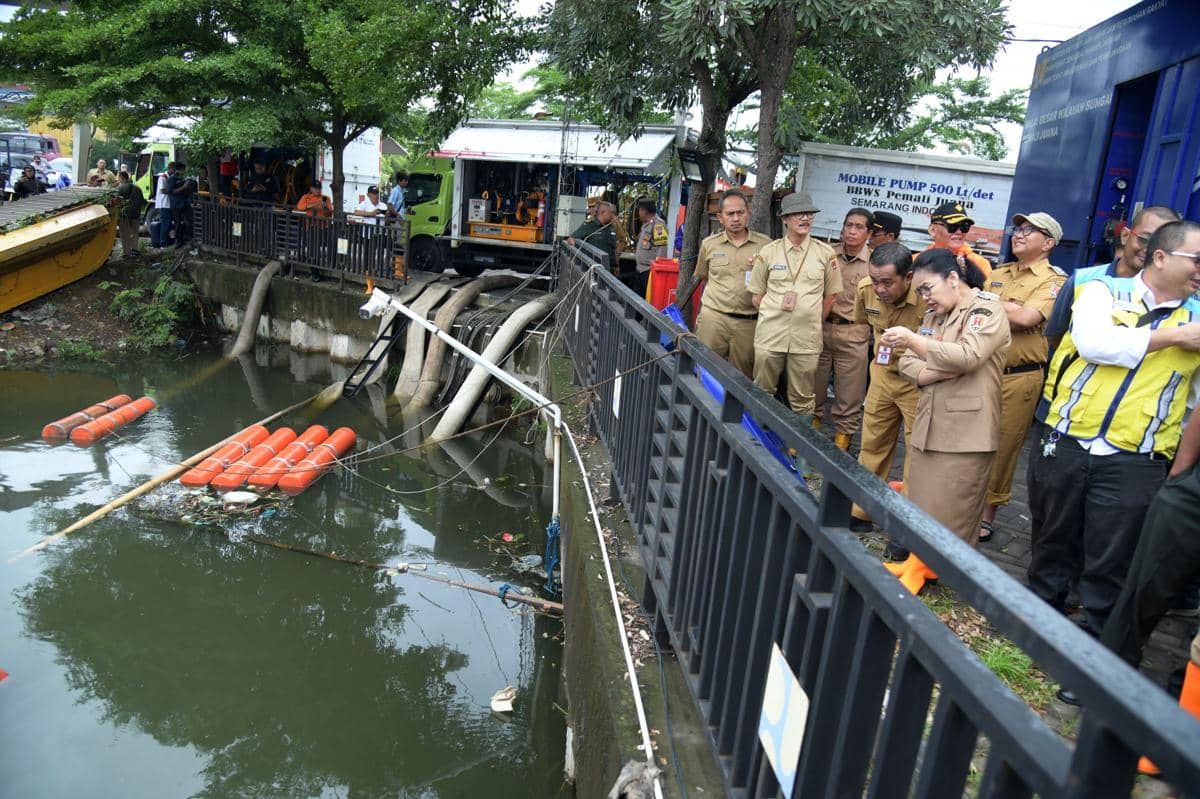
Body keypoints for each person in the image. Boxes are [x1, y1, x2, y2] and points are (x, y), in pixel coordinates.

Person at [1027, 220, 1200, 636]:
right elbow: (1096, 344)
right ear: (1161, 257)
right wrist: (1175, 336)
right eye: (1196, 260)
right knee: (1051, 542)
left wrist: (1178, 470)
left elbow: (1195, 400)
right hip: (1067, 441)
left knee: (1110, 562)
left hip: (1137, 458)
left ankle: (1089, 661)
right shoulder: (1103, 291)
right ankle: (1028, 634)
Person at [880, 248, 1010, 594]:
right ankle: (917, 565)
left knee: (954, 508)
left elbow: (968, 356)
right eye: (919, 292)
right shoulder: (936, 315)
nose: (924, 299)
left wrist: (913, 340)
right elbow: (906, 362)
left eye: (927, 289)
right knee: (923, 501)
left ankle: (946, 578)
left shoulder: (986, 310)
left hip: (966, 431)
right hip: (930, 420)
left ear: (953, 278)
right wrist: (927, 373)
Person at [1097, 403, 1200, 774]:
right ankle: (1106, 683)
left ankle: (1182, 736)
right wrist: (1180, 476)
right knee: (1143, 585)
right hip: (1193, 490)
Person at [977, 212, 1067, 543]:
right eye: (1019, 228)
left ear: (1049, 243)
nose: (1020, 234)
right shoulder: (999, 273)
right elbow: (978, 312)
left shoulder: (1055, 280)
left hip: (1020, 376)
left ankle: (987, 515)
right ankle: (963, 504)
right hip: (983, 369)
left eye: (1031, 231)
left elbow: (1027, 317)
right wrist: (1006, 305)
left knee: (1002, 446)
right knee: (970, 438)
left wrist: (990, 301)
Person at [847, 242, 924, 552]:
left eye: (887, 282)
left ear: (908, 277)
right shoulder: (867, 289)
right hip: (881, 376)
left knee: (918, 454)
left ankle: (906, 528)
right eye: (875, 280)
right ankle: (861, 510)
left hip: (917, 382)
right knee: (873, 443)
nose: (879, 289)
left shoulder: (926, 296)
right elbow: (864, 325)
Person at [748, 192, 840, 418]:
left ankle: (799, 452)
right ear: (785, 219)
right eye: (799, 213)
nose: (805, 218)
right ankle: (758, 441)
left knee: (803, 398)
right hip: (771, 335)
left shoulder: (825, 253)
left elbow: (831, 296)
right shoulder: (768, 252)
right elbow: (757, 296)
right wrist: (775, 316)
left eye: (809, 213)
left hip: (806, 338)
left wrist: (809, 318)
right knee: (762, 390)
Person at [1043, 206, 1181, 348]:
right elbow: (1055, 337)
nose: (1150, 249)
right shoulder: (1082, 280)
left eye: (1162, 245)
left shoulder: (1175, 298)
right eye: (1144, 239)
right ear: (1125, 236)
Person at [693, 189, 771, 378]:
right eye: (730, 214)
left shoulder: (766, 246)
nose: (736, 218)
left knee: (742, 378)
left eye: (740, 212)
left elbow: (771, 283)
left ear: (748, 213)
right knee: (705, 372)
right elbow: (704, 277)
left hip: (748, 323)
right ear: (720, 217)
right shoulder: (710, 245)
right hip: (714, 319)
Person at [814, 207, 873, 449]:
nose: (852, 231)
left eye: (859, 227)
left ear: (868, 233)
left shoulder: (874, 263)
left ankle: (841, 443)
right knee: (812, 386)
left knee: (850, 394)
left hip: (854, 333)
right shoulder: (828, 255)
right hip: (821, 328)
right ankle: (807, 435)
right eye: (849, 225)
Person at [927, 201, 991, 279]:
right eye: (952, 226)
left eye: (964, 227)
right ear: (932, 230)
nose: (959, 232)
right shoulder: (917, 260)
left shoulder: (979, 264)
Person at [566, 201, 618, 271]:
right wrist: (583, 255)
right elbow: (571, 239)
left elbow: (613, 248)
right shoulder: (590, 226)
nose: (613, 215)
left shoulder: (611, 227)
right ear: (603, 212)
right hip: (594, 269)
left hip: (610, 269)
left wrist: (617, 266)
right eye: (611, 212)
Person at [632, 198, 667, 298]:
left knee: (645, 301)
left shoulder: (658, 225)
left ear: (644, 211)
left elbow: (662, 249)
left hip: (649, 272)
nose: (638, 213)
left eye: (639, 210)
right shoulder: (647, 224)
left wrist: (657, 270)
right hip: (640, 270)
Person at [115, 171, 144, 258]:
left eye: (118, 178)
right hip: (136, 214)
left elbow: (116, 202)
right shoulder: (138, 188)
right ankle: (135, 250)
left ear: (122, 178)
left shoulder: (119, 188)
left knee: (125, 234)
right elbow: (142, 201)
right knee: (135, 232)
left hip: (124, 215)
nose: (118, 180)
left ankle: (126, 253)